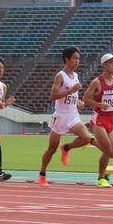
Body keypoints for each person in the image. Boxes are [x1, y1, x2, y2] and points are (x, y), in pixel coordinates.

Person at [38, 46, 95, 187]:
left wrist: (79, 101)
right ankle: (42, 174)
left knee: (87, 138)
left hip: (73, 115)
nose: (77, 61)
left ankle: (67, 148)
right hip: (60, 116)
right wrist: (71, 92)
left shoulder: (75, 76)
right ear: (66, 59)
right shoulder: (60, 76)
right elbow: (53, 96)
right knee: (51, 149)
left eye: (78, 59)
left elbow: (73, 95)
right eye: (75, 58)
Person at [81, 53, 113, 188]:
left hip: (110, 119)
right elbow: (85, 99)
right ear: (103, 65)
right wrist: (99, 105)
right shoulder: (97, 82)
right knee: (107, 149)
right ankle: (101, 178)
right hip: (98, 119)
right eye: (110, 63)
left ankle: (91, 141)